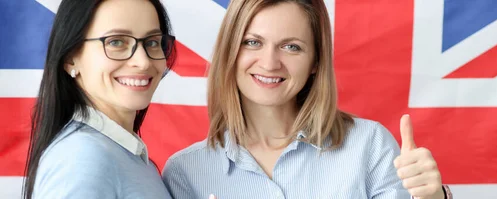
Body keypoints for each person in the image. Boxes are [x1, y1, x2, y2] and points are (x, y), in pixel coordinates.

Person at [162, 0, 452, 198]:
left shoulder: (369, 145)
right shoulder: (185, 172)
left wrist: (433, 198)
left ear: (315, 61)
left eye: (291, 47)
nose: (270, 62)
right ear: (230, 50)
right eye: (253, 42)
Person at [23, 0, 177, 198]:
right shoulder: (81, 159)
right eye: (116, 42)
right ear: (71, 58)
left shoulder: (123, 155)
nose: (143, 61)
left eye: (152, 42)